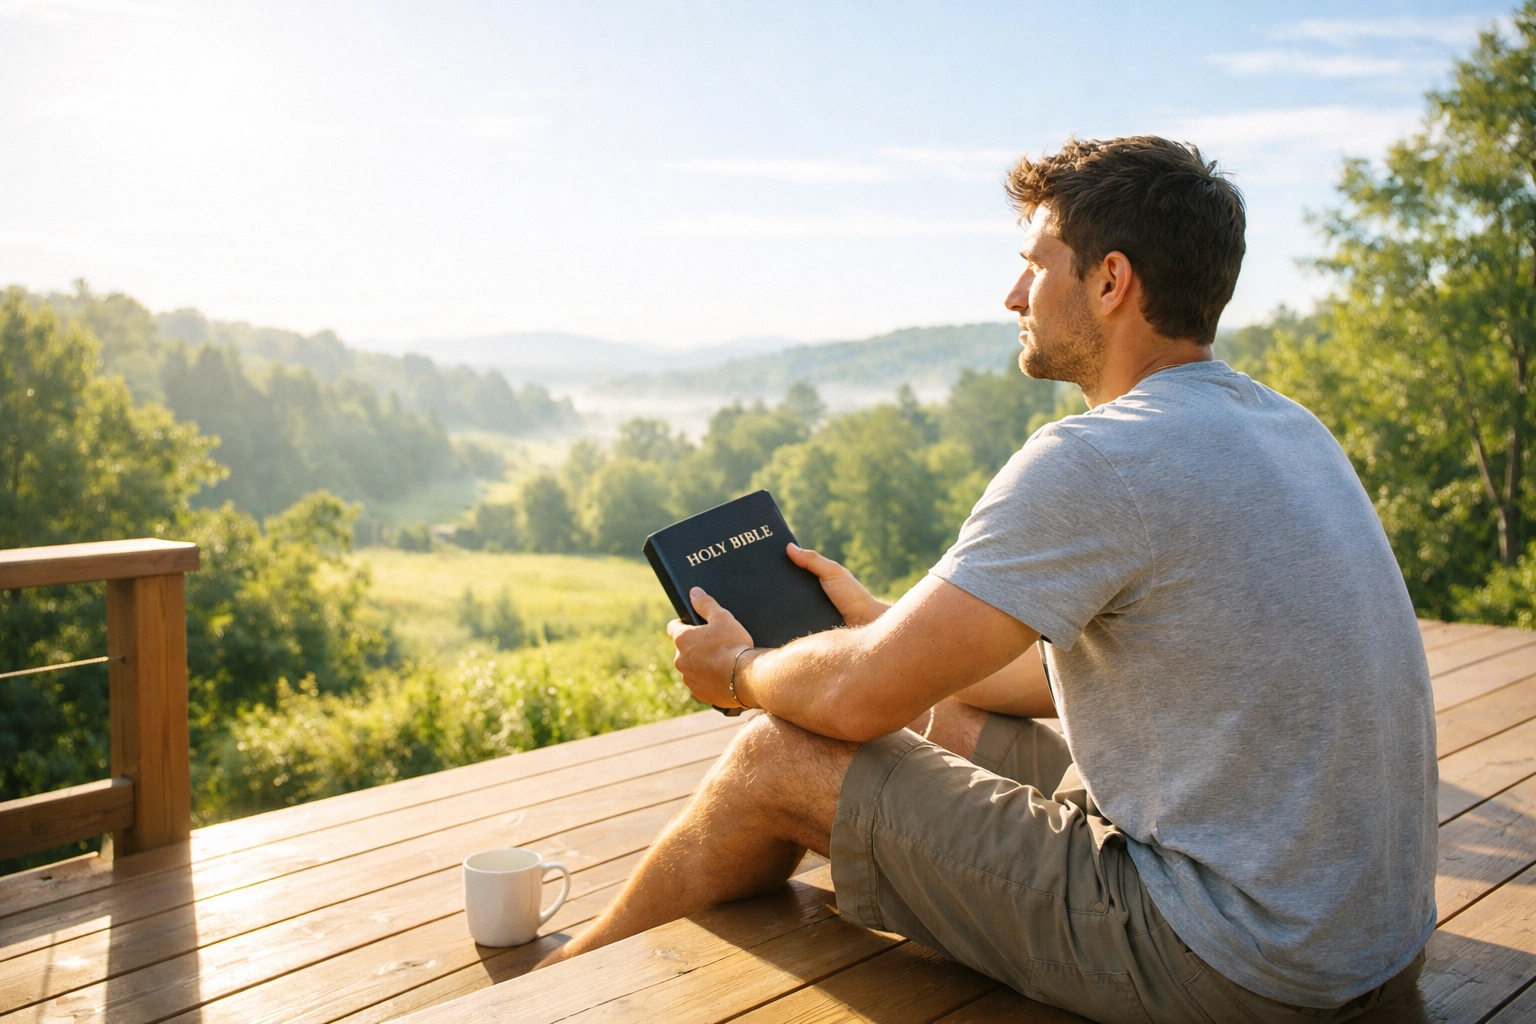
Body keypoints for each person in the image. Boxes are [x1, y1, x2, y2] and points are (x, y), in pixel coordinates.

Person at [537, 136, 1437, 1024]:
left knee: (776, 756)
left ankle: (559, 995)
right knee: (952, 714)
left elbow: (851, 704)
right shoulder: (1287, 429)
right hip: (1363, 945)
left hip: (1234, 965)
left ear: (1111, 281)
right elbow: (1071, 677)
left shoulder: (1102, 457)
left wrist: (739, 670)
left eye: (1035, 266)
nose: (1013, 294)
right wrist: (894, 630)